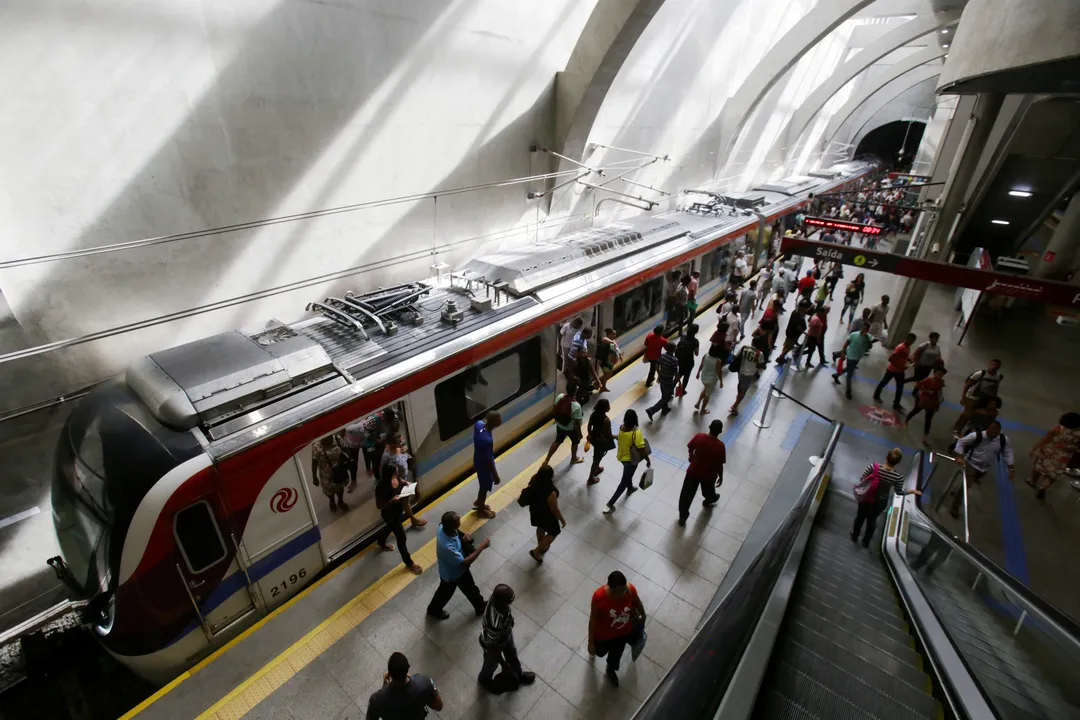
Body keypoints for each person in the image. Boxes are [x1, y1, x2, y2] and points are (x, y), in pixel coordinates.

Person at [427, 512, 490, 619]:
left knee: (463, 590)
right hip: (454, 573)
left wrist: (465, 539)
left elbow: (458, 534)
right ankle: (433, 610)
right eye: (457, 521)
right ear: (453, 526)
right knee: (456, 591)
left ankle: (480, 606)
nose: (459, 521)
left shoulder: (443, 527)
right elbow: (465, 562)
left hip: (450, 571)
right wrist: (481, 547)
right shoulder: (447, 547)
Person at [588, 571, 646, 687]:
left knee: (616, 655)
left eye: (623, 590)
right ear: (610, 588)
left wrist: (643, 615)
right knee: (599, 652)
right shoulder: (599, 597)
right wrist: (591, 642)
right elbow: (593, 620)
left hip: (622, 633)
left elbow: (637, 601)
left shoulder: (629, 590)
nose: (622, 594)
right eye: (618, 592)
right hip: (603, 634)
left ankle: (611, 669)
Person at [851, 448, 919, 548]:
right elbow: (899, 492)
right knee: (872, 520)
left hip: (866, 497)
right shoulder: (898, 477)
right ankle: (866, 542)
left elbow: (862, 479)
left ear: (886, 457)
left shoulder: (873, 467)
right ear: (898, 462)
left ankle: (854, 536)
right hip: (881, 501)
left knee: (860, 517)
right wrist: (912, 491)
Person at [948, 421, 1015, 517]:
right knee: (966, 486)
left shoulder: (1003, 440)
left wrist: (1011, 469)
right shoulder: (976, 436)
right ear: (988, 428)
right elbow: (961, 442)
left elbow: (1008, 453)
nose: (995, 434)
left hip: (983, 469)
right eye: (993, 431)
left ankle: (956, 489)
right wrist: (960, 457)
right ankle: (954, 507)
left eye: (997, 432)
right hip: (971, 464)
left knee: (969, 482)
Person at [478, 585, 536, 694]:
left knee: (512, 653)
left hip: (505, 633)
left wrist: (510, 620)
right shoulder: (494, 623)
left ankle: (518, 674)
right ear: (502, 602)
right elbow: (492, 647)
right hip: (493, 645)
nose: (511, 602)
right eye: (510, 601)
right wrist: (504, 665)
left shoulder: (496, 598)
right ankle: (484, 680)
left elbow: (506, 610)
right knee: (491, 664)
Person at [375, 465, 424, 575]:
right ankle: (409, 563)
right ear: (390, 474)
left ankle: (381, 542)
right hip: (389, 514)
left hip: (397, 511)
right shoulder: (381, 487)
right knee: (401, 537)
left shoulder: (396, 478)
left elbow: (401, 480)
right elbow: (379, 505)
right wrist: (391, 501)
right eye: (396, 472)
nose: (398, 474)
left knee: (390, 527)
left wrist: (406, 483)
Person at [366, 652, 443, 720]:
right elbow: (439, 706)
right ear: (407, 668)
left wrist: (384, 687)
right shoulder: (424, 683)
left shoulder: (376, 700)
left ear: (389, 674)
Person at [678, 419, 725, 525]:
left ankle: (683, 516)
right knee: (708, 490)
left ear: (709, 427)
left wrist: (691, 455)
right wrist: (721, 476)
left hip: (693, 471)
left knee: (686, 494)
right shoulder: (720, 446)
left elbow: (690, 447)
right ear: (720, 432)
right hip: (709, 475)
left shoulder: (699, 437)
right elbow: (719, 464)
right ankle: (710, 499)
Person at [605, 410, 651, 513]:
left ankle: (630, 488)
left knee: (627, 474)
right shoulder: (636, 432)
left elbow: (621, 438)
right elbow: (641, 448)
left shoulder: (621, 427)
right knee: (624, 482)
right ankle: (610, 504)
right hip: (631, 460)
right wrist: (647, 460)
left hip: (622, 457)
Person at [1026, 412, 1080, 500]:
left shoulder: (1058, 429)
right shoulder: (1078, 433)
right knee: (1051, 475)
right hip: (1063, 458)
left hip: (1049, 453)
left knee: (1038, 468)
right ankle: (1043, 487)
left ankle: (1032, 482)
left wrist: (1034, 449)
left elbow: (1044, 439)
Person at [379, 434, 427, 529]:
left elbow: (403, 453)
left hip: (402, 479)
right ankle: (411, 520)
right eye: (399, 442)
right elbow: (384, 471)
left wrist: (404, 450)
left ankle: (412, 519)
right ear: (391, 444)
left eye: (402, 441)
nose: (402, 444)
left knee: (405, 499)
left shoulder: (398, 448)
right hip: (396, 482)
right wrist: (397, 482)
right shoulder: (387, 456)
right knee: (403, 501)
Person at [521, 466, 566, 562]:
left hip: (535, 510)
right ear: (550, 476)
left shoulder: (534, 479)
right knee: (554, 532)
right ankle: (537, 551)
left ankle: (542, 545)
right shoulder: (550, 491)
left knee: (540, 526)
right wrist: (562, 520)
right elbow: (554, 509)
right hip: (546, 515)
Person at [952, 360, 1004, 436]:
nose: (994, 367)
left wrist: (993, 401)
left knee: (980, 415)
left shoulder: (998, 376)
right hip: (972, 397)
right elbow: (967, 385)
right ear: (989, 364)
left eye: (997, 365)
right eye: (993, 364)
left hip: (984, 399)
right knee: (967, 414)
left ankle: (974, 431)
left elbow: (995, 388)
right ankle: (958, 429)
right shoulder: (980, 373)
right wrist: (963, 397)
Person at [544, 383, 585, 466]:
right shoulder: (576, 406)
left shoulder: (560, 397)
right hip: (571, 429)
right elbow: (577, 423)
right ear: (575, 391)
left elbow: (554, 410)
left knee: (557, 441)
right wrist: (580, 434)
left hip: (560, 425)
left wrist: (557, 420)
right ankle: (574, 458)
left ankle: (546, 460)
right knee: (575, 442)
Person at [312, 434, 355, 512]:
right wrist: (314, 476)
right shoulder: (316, 447)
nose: (328, 440)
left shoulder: (337, 438)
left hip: (339, 469)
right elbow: (314, 462)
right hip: (326, 474)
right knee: (329, 490)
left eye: (330, 438)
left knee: (340, 486)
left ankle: (340, 501)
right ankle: (332, 500)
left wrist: (350, 459)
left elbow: (345, 449)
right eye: (325, 439)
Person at [874, 332, 916, 411]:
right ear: (907, 339)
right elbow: (891, 359)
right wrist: (902, 366)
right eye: (910, 340)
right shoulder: (900, 347)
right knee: (884, 383)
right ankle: (876, 395)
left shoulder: (908, 347)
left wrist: (910, 360)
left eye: (913, 341)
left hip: (900, 371)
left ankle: (896, 404)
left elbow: (904, 356)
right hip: (892, 370)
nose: (911, 342)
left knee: (900, 387)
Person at [904, 367, 947, 445]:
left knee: (928, 420)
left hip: (933, 402)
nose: (940, 376)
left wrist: (940, 397)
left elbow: (939, 390)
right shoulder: (928, 380)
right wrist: (927, 391)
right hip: (924, 399)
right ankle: (906, 421)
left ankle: (925, 437)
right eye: (939, 374)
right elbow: (918, 385)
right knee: (915, 411)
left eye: (942, 375)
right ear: (934, 373)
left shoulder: (941, 382)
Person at [832, 322, 873, 400]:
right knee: (850, 374)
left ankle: (836, 375)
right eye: (864, 328)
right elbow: (846, 344)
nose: (865, 330)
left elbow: (869, 347)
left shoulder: (868, 337)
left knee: (849, 368)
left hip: (858, 357)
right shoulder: (854, 334)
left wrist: (868, 340)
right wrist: (843, 353)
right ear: (862, 328)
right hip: (850, 356)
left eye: (867, 329)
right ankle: (848, 391)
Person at [472, 412, 501, 518]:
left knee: (482, 485)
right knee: (484, 487)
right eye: (498, 419)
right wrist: (495, 475)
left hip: (477, 459)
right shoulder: (486, 440)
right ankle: (480, 510)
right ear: (493, 422)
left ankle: (479, 502)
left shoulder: (479, 424)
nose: (500, 421)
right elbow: (488, 459)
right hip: (484, 465)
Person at [729, 335, 767, 415]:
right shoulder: (759, 353)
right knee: (744, 390)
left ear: (752, 342)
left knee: (740, 384)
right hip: (749, 374)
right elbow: (761, 365)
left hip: (740, 371)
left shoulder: (744, 348)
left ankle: (738, 396)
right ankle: (735, 405)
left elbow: (735, 356)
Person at [645, 342, 679, 421]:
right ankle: (651, 410)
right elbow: (675, 373)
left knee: (664, 394)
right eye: (675, 347)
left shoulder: (662, 356)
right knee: (666, 398)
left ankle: (665, 409)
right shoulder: (674, 360)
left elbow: (657, 365)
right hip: (668, 381)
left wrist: (659, 374)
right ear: (673, 349)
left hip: (662, 379)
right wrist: (679, 381)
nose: (676, 348)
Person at [586, 399, 616, 485]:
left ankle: (597, 468)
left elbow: (589, 426)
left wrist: (589, 434)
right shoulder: (606, 420)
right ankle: (591, 478)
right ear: (605, 408)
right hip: (601, 442)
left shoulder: (594, 414)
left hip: (594, 439)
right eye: (608, 405)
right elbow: (609, 435)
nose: (610, 407)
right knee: (596, 459)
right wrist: (617, 436)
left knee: (597, 455)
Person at [774, 300, 810, 365]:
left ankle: (781, 357)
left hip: (790, 331)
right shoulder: (797, 314)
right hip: (793, 333)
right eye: (805, 308)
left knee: (787, 344)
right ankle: (781, 357)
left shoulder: (795, 312)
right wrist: (803, 332)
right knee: (789, 346)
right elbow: (798, 327)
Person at [694, 344, 725, 414]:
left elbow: (701, 365)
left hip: (703, 377)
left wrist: (698, 373)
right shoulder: (718, 360)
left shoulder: (706, 355)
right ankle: (703, 409)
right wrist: (721, 381)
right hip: (711, 380)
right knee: (707, 395)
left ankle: (698, 403)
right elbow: (718, 372)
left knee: (705, 389)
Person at [674, 323, 700, 398]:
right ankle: (682, 391)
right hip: (689, 362)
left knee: (679, 374)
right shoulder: (695, 341)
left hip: (680, 360)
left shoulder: (683, 336)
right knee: (686, 377)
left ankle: (671, 388)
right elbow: (696, 353)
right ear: (696, 331)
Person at [594, 328, 622, 393]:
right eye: (613, 334)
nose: (615, 335)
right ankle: (596, 383)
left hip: (609, 362)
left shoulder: (613, 341)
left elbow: (617, 349)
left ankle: (603, 387)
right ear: (609, 334)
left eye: (615, 334)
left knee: (607, 375)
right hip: (605, 362)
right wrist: (613, 342)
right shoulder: (606, 340)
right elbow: (604, 339)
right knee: (607, 375)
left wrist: (620, 355)